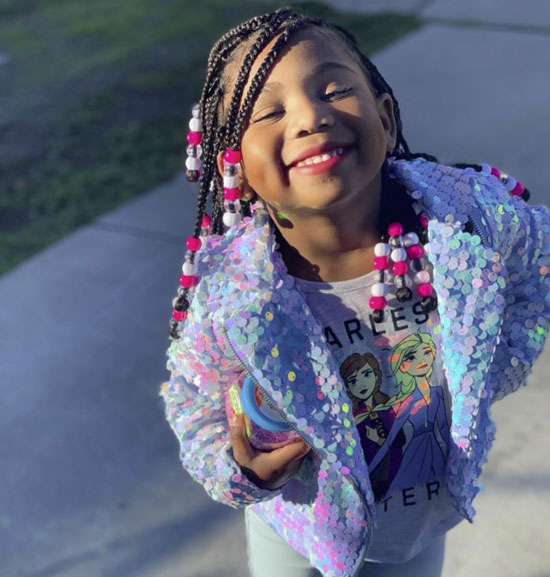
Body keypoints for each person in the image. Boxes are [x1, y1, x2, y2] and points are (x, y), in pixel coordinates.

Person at [160, 7, 550, 577]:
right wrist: (237, 468)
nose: (311, 116)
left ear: (385, 117)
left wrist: (499, 362)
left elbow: (536, 261)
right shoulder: (233, 294)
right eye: (270, 111)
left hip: (417, 524)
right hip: (299, 529)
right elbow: (191, 397)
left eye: (335, 89)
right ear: (234, 165)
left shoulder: (462, 225)